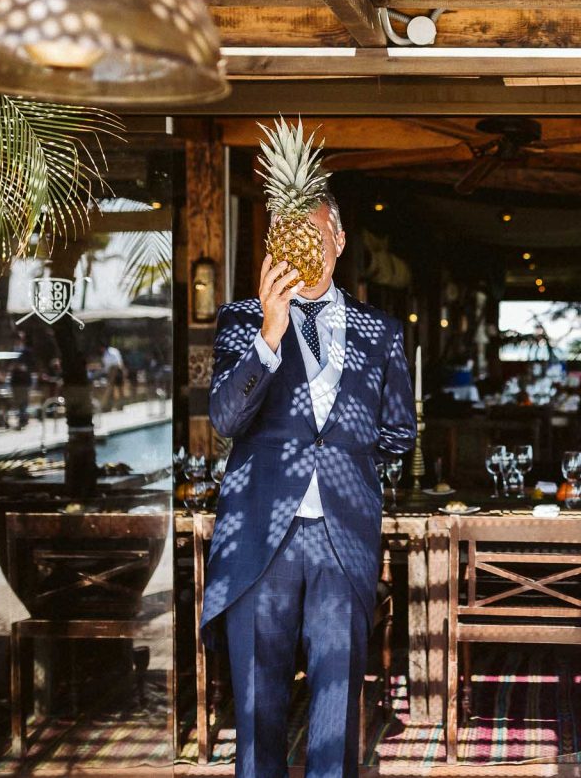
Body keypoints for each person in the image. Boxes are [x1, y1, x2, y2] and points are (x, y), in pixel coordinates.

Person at [202, 192, 416, 778]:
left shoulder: (383, 331)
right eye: (284, 238)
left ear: (338, 242)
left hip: (343, 535)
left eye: (311, 236)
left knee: (335, 714)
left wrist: (347, 451)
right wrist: (270, 336)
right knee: (256, 712)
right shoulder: (241, 320)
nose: (296, 250)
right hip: (259, 535)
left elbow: (400, 433)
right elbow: (224, 419)